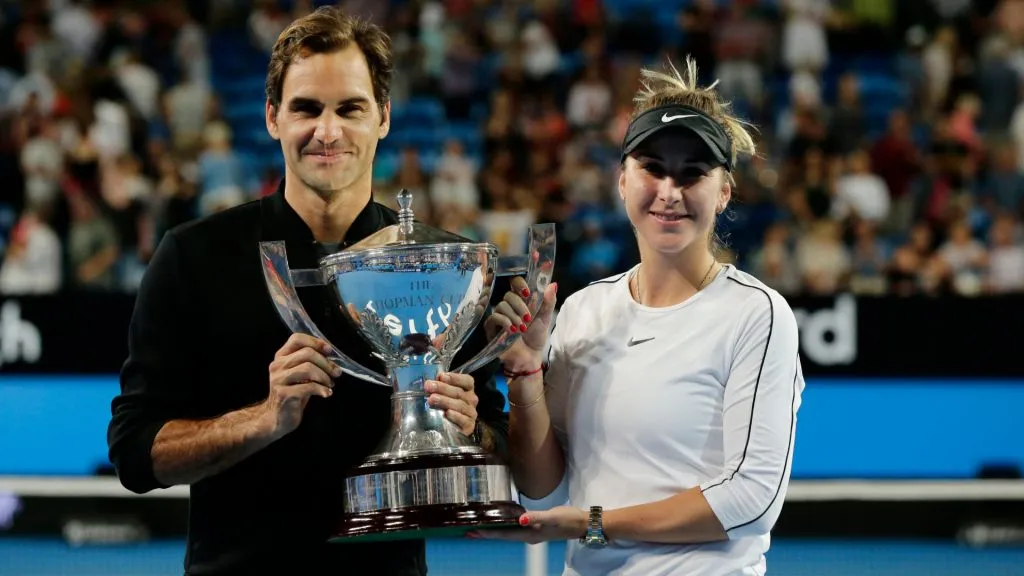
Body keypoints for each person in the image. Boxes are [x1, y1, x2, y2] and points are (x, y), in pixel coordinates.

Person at [106, 7, 516, 575]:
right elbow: (136, 454)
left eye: (350, 108)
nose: (328, 132)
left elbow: (504, 447)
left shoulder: (445, 269)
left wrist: (470, 430)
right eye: (306, 108)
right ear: (272, 117)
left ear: (384, 118)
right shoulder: (193, 257)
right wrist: (264, 418)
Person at [476, 57, 806, 576]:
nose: (669, 192)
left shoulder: (757, 315)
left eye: (692, 174)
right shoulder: (584, 310)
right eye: (653, 168)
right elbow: (542, 491)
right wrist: (525, 373)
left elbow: (751, 501)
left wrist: (594, 522)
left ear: (723, 193)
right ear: (623, 180)